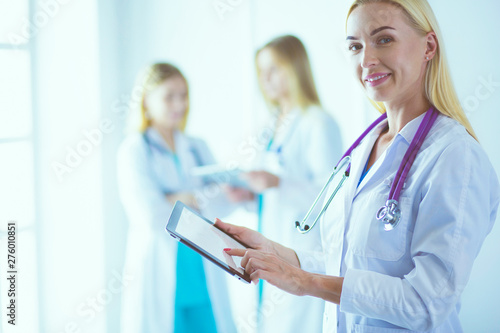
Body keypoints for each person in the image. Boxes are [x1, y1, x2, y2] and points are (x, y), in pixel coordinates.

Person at [218, 1, 500, 332]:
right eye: (355, 46)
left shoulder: (455, 156)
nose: (366, 60)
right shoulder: (364, 148)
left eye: (384, 39)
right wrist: (280, 255)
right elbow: (347, 263)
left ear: (429, 46)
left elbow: (427, 303)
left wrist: (304, 281)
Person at [225, 35, 342, 333]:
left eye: (274, 69)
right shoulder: (272, 125)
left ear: (295, 67)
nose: (266, 79)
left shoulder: (318, 122)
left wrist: (278, 182)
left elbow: (330, 196)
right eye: (261, 72)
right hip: (271, 246)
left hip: (302, 252)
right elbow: (274, 197)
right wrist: (250, 197)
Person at [117, 63, 236, 333]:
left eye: (183, 95)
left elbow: (222, 202)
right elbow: (149, 215)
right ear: (147, 100)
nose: (179, 104)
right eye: (169, 96)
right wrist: (196, 198)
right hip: (160, 270)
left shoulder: (197, 146)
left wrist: (176, 197)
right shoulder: (134, 150)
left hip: (202, 269)